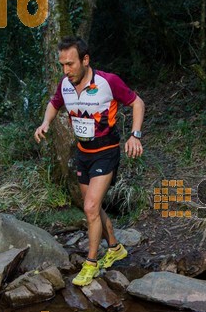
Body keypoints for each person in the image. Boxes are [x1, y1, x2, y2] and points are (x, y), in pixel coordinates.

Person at [34, 37, 144, 286]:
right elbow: (54, 103)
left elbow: (137, 103)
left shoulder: (108, 81)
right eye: (62, 65)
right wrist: (45, 123)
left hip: (106, 151)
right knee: (92, 207)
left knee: (91, 208)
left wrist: (135, 135)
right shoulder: (65, 85)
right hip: (82, 153)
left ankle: (91, 263)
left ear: (85, 60)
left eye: (70, 64)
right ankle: (115, 248)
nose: (66, 70)